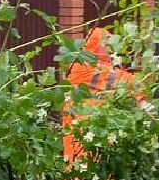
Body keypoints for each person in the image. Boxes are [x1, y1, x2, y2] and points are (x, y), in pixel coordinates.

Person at [62, 26, 146, 172]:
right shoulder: (81, 65)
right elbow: (117, 79)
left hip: (94, 119)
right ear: (95, 44)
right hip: (81, 118)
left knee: (96, 162)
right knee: (80, 159)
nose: (108, 48)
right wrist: (141, 96)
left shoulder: (97, 64)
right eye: (105, 44)